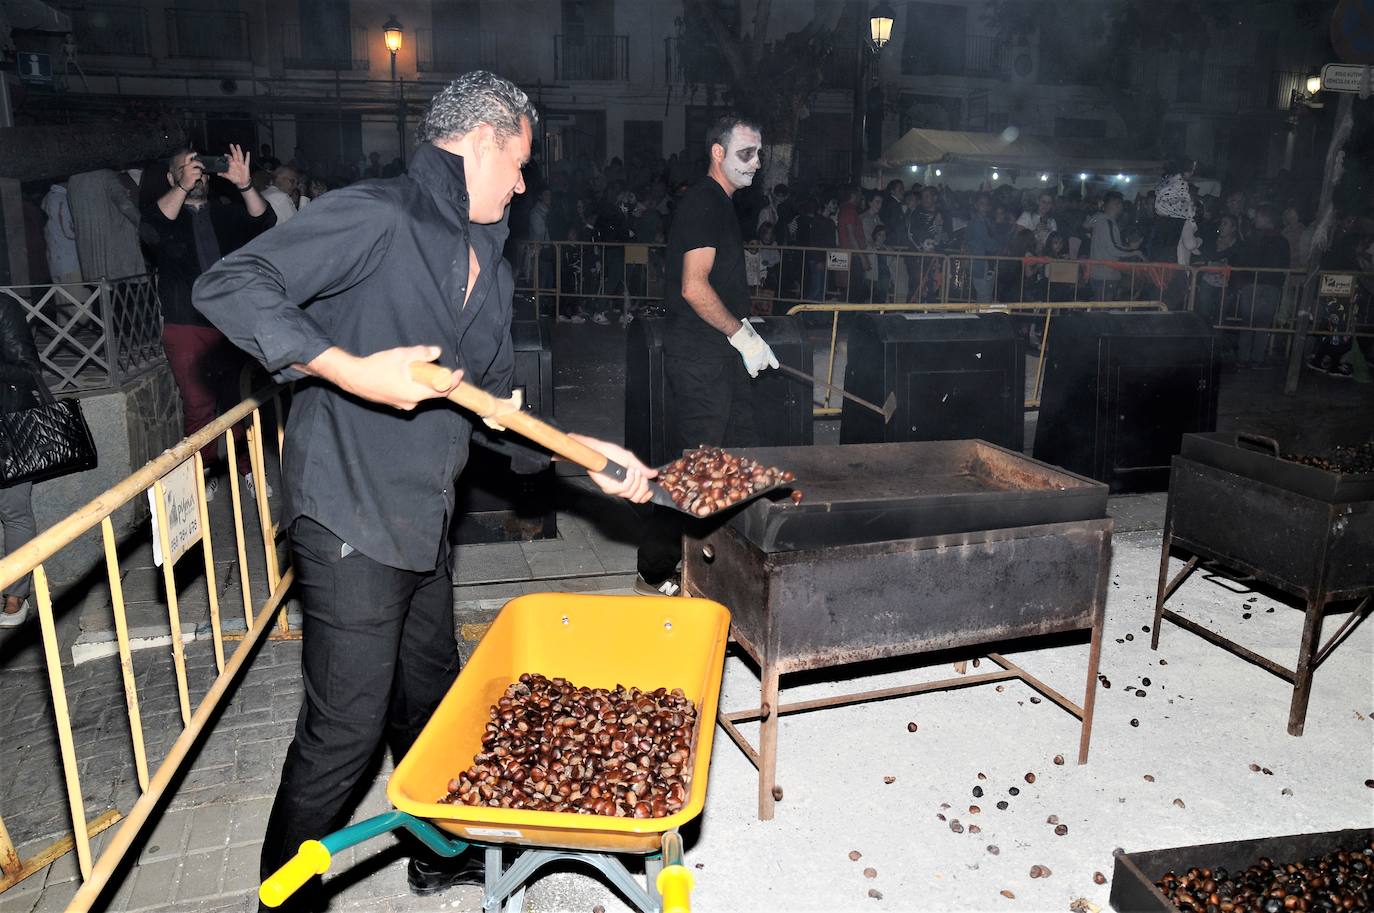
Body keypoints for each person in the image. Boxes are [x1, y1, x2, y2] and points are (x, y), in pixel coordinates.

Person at [193, 71, 655, 909]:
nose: (523, 181)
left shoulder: (491, 263)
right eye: (517, 162)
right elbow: (229, 285)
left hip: (424, 520)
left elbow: (494, 417)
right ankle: (279, 900)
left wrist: (588, 455)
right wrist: (348, 368)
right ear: (480, 140)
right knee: (343, 734)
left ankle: (435, 853)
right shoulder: (380, 215)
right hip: (348, 512)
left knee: (431, 702)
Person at [635, 114, 776, 598]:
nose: (756, 164)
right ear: (718, 153)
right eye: (745, 153)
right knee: (696, 469)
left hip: (722, 356)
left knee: (740, 457)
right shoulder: (703, 203)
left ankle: (730, 560)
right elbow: (694, 288)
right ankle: (654, 571)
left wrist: (742, 328)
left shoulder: (721, 205)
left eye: (759, 154)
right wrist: (743, 335)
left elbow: (715, 286)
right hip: (701, 358)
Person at [141, 146, 276, 501]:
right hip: (184, 324)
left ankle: (247, 468)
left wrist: (246, 186)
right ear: (172, 178)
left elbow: (265, 221)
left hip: (228, 323)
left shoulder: (224, 214)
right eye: (184, 168)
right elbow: (150, 228)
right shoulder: (164, 216)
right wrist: (182, 188)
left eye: (197, 167)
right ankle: (206, 471)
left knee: (238, 402)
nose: (195, 172)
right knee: (199, 404)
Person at [0, 297, 42, 629]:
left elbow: (29, 370)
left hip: (8, 430)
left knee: (14, 512)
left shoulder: (4, 307)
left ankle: (15, 596)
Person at [1229, 204, 1289, 369]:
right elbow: (1284, 266)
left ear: (1264, 218)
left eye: (1257, 217)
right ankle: (1257, 359)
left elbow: (1243, 261)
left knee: (1248, 323)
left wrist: (1241, 283)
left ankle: (1243, 358)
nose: (1254, 219)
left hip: (1254, 285)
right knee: (1262, 324)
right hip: (1269, 286)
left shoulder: (1254, 239)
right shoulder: (1281, 241)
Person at [1088, 191, 1143, 301]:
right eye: (1120, 204)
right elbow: (1114, 248)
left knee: (1099, 311)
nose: (1122, 207)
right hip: (1106, 275)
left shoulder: (1100, 220)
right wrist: (1134, 251)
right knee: (1103, 313)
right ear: (1116, 204)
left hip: (1099, 274)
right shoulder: (1107, 223)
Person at [41, 183, 81, 284]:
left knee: (62, 296)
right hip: (69, 260)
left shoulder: (46, 198)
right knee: (76, 296)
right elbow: (69, 232)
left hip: (53, 260)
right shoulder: (64, 199)